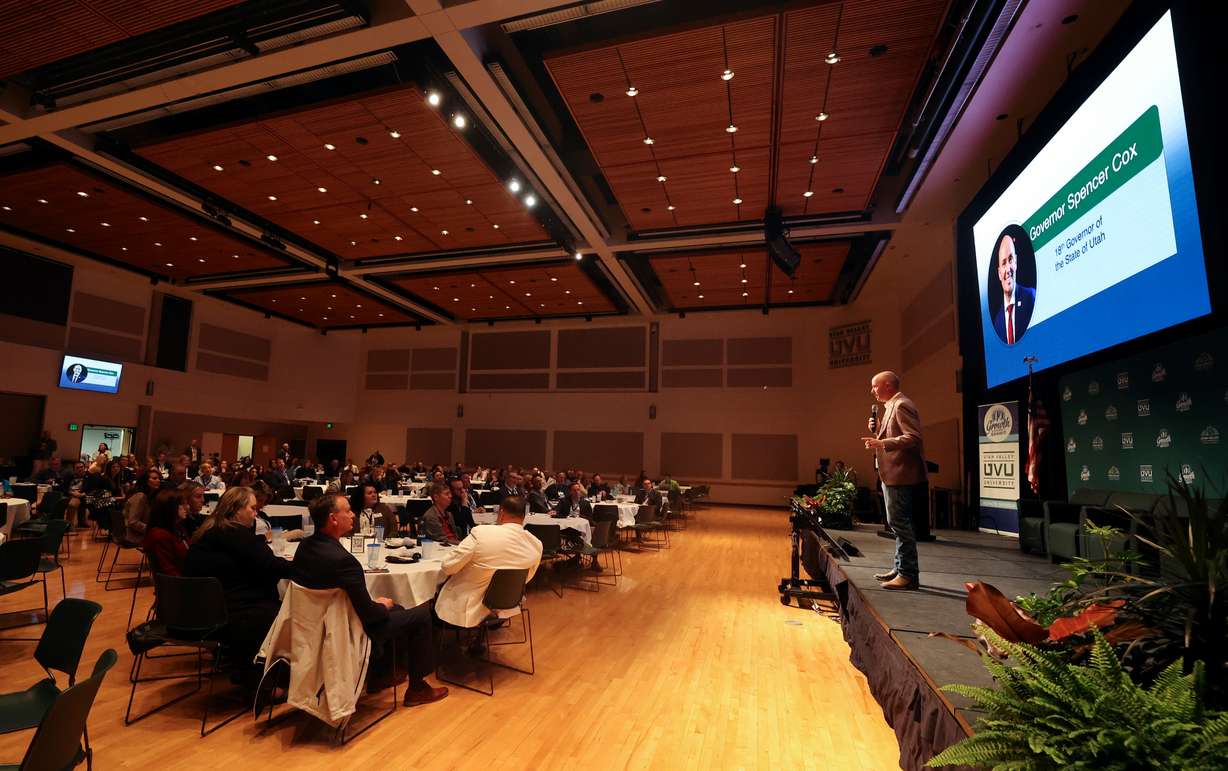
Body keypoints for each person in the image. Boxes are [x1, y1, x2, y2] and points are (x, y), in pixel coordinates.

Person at [292, 494, 447, 707]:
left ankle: (381, 674)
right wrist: (381, 605)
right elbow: (370, 615)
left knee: (399, 608)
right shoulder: (345, 561)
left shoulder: (305, 547)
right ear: (333, 519)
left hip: (313, 625)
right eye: (347, 510)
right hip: (345, 630)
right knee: (420, 615)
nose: (352, 514)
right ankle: (417, 688)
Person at [185, 486, 292, 689]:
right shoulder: (238, 536)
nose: (256, 512)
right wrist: (309, 567)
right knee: (293, 611)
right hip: (232, 615)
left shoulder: (207, 533)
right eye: (252, 508)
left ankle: (247, 670)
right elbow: (274, 566)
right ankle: (264, 682)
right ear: (236, 510)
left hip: (196, 611)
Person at [861, 370, 927, 591]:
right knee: (896, 523)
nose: (872, 390)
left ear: (888, 385)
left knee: (900, 523)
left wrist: (882, 443)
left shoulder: (901, 405)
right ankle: (900, 568)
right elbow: (894, 434)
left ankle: (908, 574)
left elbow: (913, 437)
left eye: (875, 386)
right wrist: (878, 430)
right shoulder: (890, 406)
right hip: (891, 473)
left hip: (901, 473)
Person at [436, 495, 543, 628]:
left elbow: (448, 566)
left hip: (468, 608)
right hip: (506, 606)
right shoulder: (535, 544)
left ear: (501, 513)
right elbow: (525, 578)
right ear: (524, 516)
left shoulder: (481, 533)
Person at [991, 232, 1036, 346]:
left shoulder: (1030, 297)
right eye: (1003, 263)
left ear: (1015, 262)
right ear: (999, 273)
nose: (1008, 269)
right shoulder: (997, 322)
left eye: (1010, 260)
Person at [144, 488, 190, 576]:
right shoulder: (159, 536)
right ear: (170, 507)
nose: (187, 507)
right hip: (179, 584)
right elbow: (169, 572)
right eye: (183, 504)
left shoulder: (177, 527)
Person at [123, 468, 163, 542]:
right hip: (134, 535)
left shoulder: (148, 496)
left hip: (138, 532)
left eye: (159, 478)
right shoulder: (140, 496)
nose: (158, 480)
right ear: (146, 481)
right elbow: (133, 522)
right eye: (154, 478)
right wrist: (150, 529)